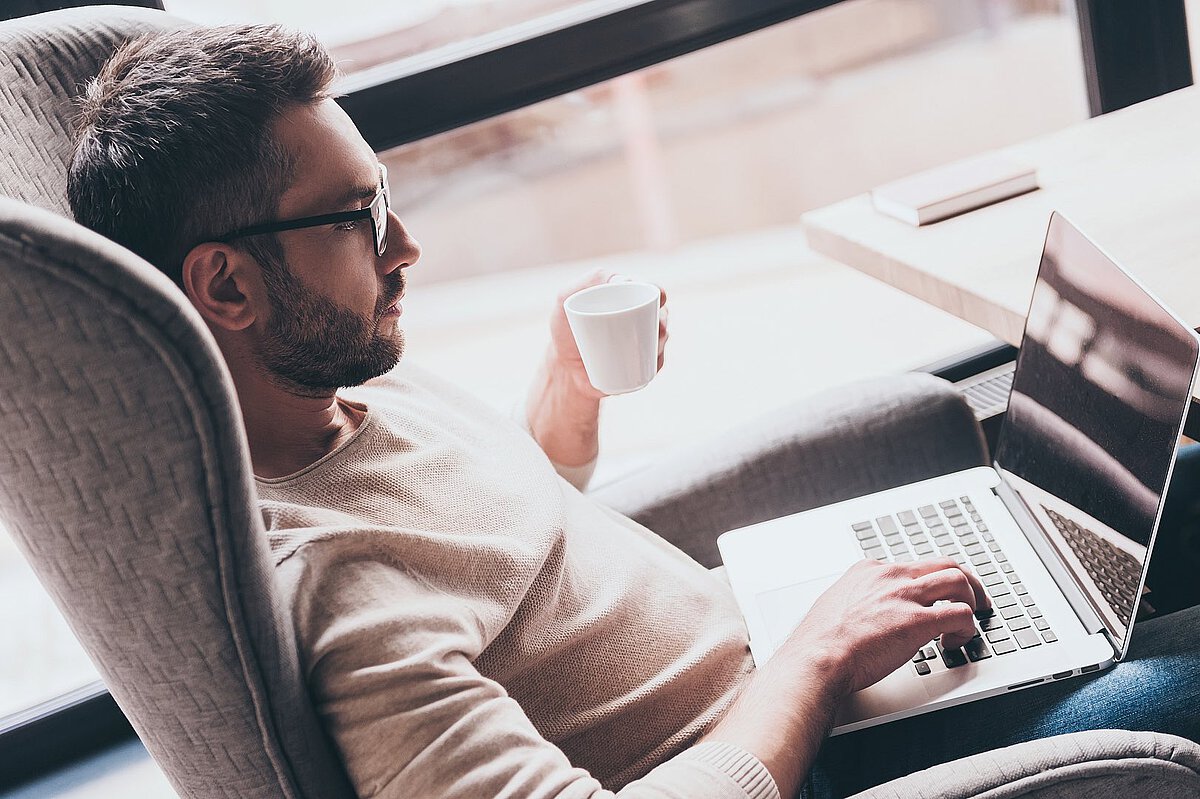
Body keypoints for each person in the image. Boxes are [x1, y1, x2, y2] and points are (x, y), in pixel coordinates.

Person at [66, 24, 1200, 799]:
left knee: (1153, 504)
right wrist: (809, 663)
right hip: (810, 756)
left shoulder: (344, 385)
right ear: (226, 286)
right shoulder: (341, 600)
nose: (404, 247)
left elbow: (504, 557)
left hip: (806, 658)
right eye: (358, 217)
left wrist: (564, 400)